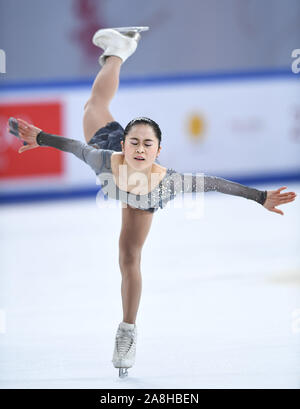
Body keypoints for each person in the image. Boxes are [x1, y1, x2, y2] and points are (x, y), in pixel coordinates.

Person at [9, 27, 297, 378]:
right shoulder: (103, 157)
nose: (141, 149)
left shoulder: (169, 182)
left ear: (158, 150)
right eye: (134, 143)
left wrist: (260, 196)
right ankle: (118, 49)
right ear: (124, 145)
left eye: (148, 144)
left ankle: (127, 333)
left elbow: (215, 183)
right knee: (94, 106)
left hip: (144, 198)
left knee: (130, 257)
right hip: (117, 170)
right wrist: (40, 137)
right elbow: (73, 146)